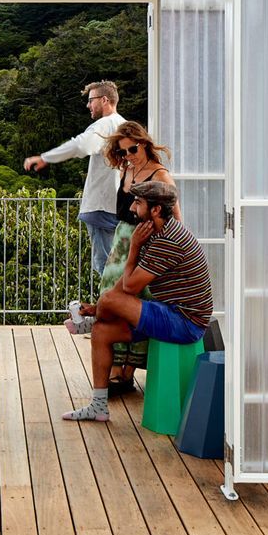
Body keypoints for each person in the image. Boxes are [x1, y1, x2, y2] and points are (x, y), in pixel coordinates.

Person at [62, 180, 213, 422]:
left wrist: (133, 248)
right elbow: (124, 285)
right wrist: (98, 309)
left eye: (138, 202)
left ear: (155, 210)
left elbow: (131, 287)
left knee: (110, 299)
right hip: (168, 311)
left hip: (185, 322)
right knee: (102, 331)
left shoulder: (168, 240)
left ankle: (88, 322)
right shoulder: (155, 230)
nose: (132, 207)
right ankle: (98, 406)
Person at [94, 121, 181, 394]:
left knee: (138, 301)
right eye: (122, 152)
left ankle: (128, 371)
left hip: (146, 242)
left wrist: (165, 252)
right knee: (109, 295)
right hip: (122, 240)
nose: (128, 156)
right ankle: (117, 367)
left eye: (132, 150)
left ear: (143, 143)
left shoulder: (160, 175)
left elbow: (176, 219)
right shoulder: (127, 169)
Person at [22, 81, 126, 274]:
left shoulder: (104, 125)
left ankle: (112, 304)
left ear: (104, 100)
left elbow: (81, 146)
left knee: (105, 266)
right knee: (118, 264)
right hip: (119, 205)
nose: (88, 106)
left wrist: (45, 157)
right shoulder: (124, 125)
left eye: (90, 100)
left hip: (101, 206)